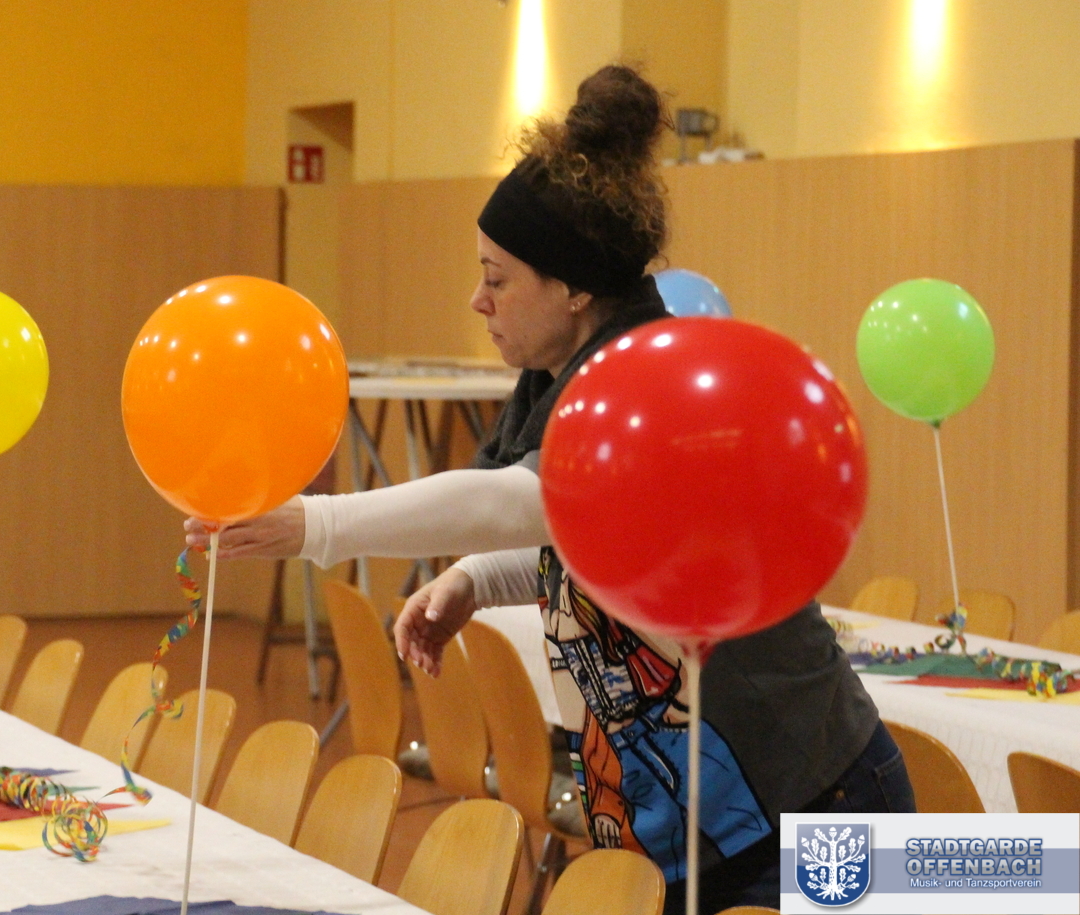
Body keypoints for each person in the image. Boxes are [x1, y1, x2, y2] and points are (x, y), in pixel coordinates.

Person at [184, 64, 913, 915]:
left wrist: (316, 523)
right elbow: (580, 539)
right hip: (688, 825)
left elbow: (524, 502)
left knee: (1010, 884)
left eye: (497, 279)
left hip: (810, 804)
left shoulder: (651, 391)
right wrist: (475, 579)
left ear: (573, 289)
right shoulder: (556, 384)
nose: (478, 300)